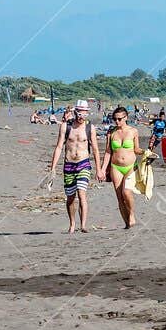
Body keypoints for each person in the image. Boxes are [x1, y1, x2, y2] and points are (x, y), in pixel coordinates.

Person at [48, 100, 101, 233]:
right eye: (79, 113)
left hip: (83, 164)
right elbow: (59, 146)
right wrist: (52, 168)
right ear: (75, 112)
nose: (81, 116)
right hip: (69, 165)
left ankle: (83, 225)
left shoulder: (90, 128)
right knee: (70, 197)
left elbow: (95, 149)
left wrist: (99, 169)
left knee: (82, 194)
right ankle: (72, 224)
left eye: (84, 114)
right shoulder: (66, 127)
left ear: (87, 113)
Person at [101, 106, 145, 230]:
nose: (117, 122)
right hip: (116, 167)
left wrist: (145, 152)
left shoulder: (133, 131)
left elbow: (136, 149)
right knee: (119, 196)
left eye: (120, 119)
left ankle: (131, 214)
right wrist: (103, 170)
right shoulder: (111, 132)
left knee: (126, 192)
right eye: (115, 119)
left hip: (130, 166)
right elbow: (108, 152)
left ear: (126, 118)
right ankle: (127, 223)